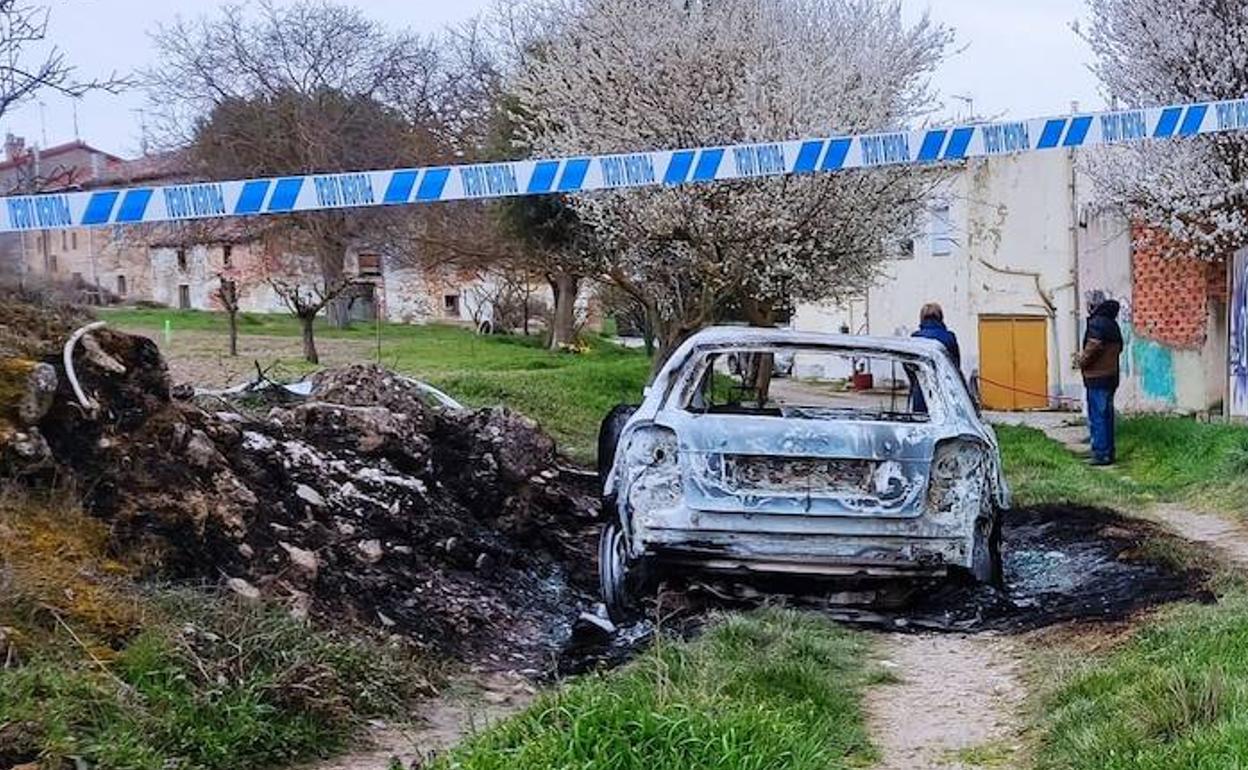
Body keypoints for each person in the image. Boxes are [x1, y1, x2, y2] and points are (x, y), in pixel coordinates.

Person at [1078, 299, 1124, 466]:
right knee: (1107, 416)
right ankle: (1109, 452)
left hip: (1096, 378)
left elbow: (1094, 346)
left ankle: (1100, 453)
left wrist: (1081, 361)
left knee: (1097, 416)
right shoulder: (1113, 325)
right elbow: (1119, 349)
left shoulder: (1096, 323)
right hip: (1112, 377)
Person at [910, 302, 961, 413]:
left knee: (922, 420)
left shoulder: (915, 337)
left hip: (922, 388)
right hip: (945, 388)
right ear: (941, 317)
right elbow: (956, 365)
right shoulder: (949, 337)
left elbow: (909, 366)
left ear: (922, 318)